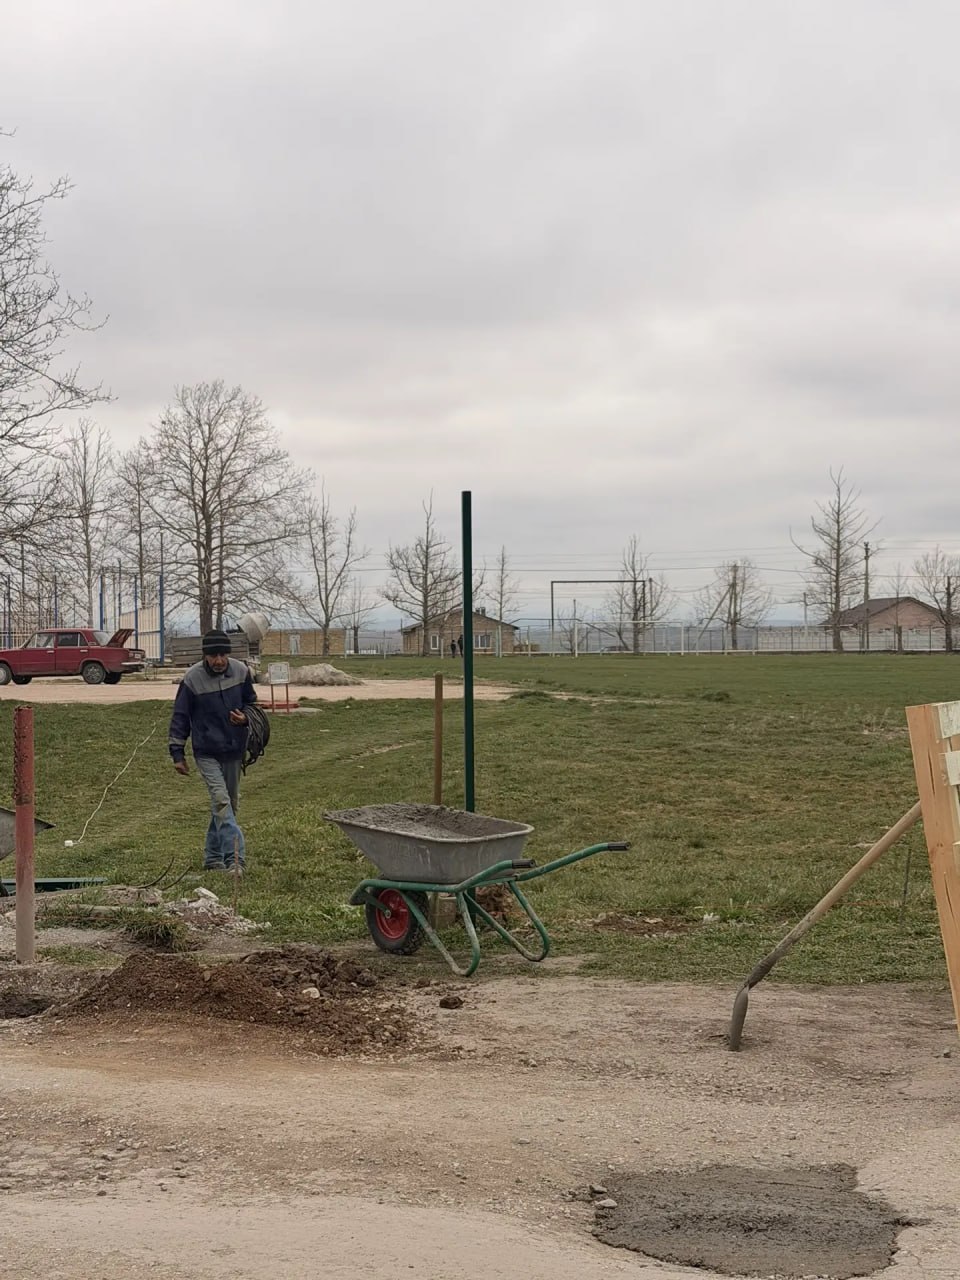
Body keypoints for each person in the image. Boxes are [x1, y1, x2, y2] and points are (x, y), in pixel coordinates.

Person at [168, 629, 258, 872]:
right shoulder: (192, 679)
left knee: (228, 806)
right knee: (221, 801)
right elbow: (180, 717)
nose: (219, 660)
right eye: (213, 655)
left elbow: (252, 704)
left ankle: (212, 857)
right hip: (206, 751)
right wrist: (177, 753)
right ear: (205, 655)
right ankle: (235, 859)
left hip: (234, 749)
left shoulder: (241, 671)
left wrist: (245, 719)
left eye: (222, 655)